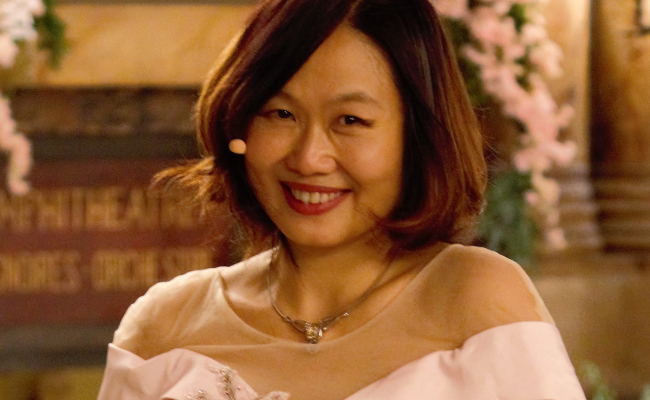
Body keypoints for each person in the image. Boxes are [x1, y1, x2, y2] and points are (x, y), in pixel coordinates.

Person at [97, 0, 587, 399]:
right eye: (280, 114)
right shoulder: (162, 328)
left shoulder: (477, 299)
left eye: (350, 120)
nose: (309, 158)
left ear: (416, 136)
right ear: (240, 122)